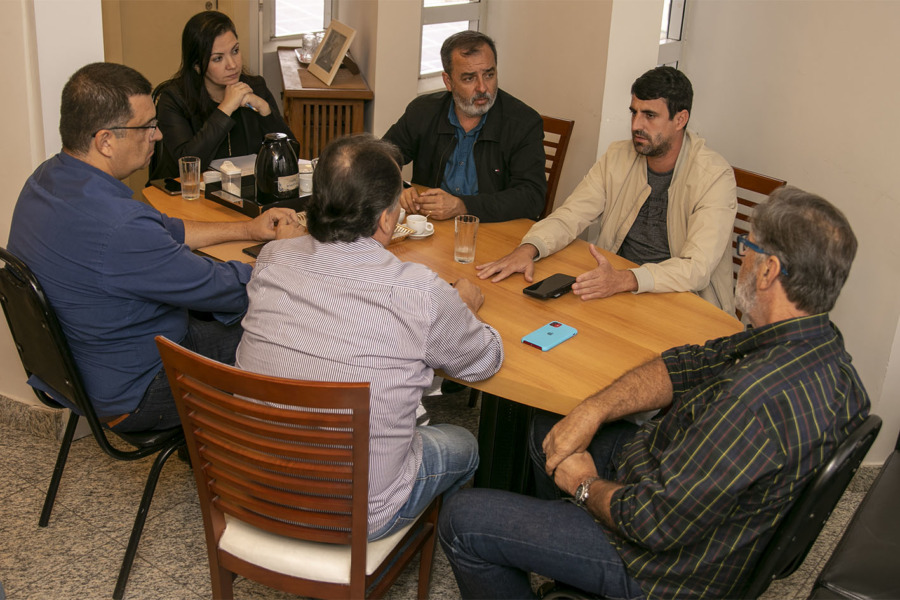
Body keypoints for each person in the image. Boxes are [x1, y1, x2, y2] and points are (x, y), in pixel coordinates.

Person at [438, 186, 869, 599]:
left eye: (747, 249)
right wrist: (592, 409)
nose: (743, 260)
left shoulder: (753, 399)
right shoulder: (825, 355)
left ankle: (578, 553)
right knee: (549, 428)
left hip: (663, 568)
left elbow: (653, 522)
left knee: (463, 520)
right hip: (678, 486)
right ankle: (568, 561)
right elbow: (688, 364)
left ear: (770, 270)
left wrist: (584, 485)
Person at [7, 62, 301, 433]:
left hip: (74, 372)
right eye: (147, 126)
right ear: (105, 141)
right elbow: (224, 288)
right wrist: (287, 256)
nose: (158, 135)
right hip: (137, 389)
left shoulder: (45, 179)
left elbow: (166, 230)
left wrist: (248, 227)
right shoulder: (121, 228)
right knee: (281, 324)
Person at [235, 134, 504, 540]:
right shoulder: (420, 293)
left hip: (252, 486)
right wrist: (462, 306)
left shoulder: (272, 259)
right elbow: (485, 361)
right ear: (385, 219)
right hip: (356, 514)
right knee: (463, 442)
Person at [477, 66, 737, 314]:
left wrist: (625, 279)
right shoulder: (618, 155)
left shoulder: (715, 177)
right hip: (618, 291)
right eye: (633, 112)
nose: (636, 125)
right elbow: (571, 214)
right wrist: (529, 248)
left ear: (680, 119)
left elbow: (697, 269)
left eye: (649, 115)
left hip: (685, 303)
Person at [383, 31, 546, 223]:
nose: (483, 88)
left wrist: (464, 206)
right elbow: (380, 157)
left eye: (489, 75)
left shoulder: (523, 122)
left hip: (492, 229)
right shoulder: (423, 111)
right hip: (431, 227)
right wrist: (399, 189)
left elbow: (532, 197)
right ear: (448, 82)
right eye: (469, 78)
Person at [149, 11, 295, 180]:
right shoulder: (173, 99)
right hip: (186, 196)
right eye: (218, 59)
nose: (232, 65)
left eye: (235, 51)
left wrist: (265, 111)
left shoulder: (255, 87)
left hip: (245, 192)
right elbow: (187, 165)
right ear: (197, 66)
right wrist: (225, 108)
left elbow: (291, 156)